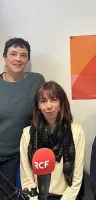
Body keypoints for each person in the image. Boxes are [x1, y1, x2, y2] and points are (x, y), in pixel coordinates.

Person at [20, 81, 85, 200]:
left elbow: (77, 176)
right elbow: (26, 177)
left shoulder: (76, 132)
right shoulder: (27, 134)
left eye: (54, 99)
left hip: (67, 197)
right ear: (38, 106)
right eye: (43, 101)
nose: (49, 106)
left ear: (61, 103)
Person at [0, 37, 45, 199]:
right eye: (13, 54)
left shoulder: (36, 80)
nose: (18, 59)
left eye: (23, 55)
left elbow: (44, 112)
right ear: (5, 57)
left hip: (15, 155)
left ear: (27, 59)